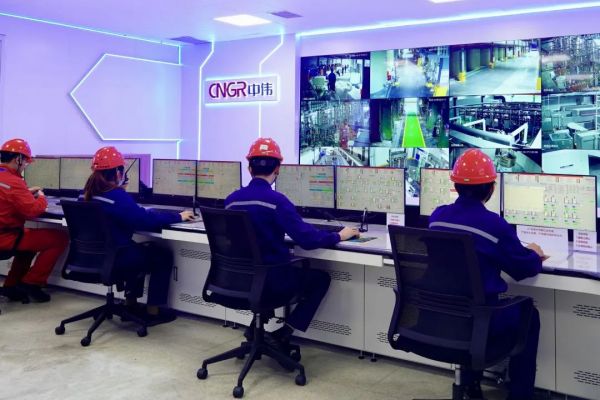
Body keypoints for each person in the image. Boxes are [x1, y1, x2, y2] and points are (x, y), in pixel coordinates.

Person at [429, 149, 545, 400]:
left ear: (455, 186)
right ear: (491, 189)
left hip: (439, 317)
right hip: (480, 319)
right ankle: (520, 395)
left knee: (473, 307)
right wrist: (535, 254)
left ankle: (470, 386)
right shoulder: (494, 225)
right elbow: (523, 268)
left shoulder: (437, 216)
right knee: (529, 314)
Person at [225, 138, 360, 344]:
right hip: (271, 281)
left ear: (249, 168)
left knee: (265, 267)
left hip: (237, 280)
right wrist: (339, 235)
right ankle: (285, 332)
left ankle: (255, 329)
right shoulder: (277, 201)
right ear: (277, 169)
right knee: (320, 279)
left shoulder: (231, 200)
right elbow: (307, 239)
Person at [80, 146, 195, 324]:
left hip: (92, 258)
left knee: (138, 249)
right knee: (160, 255)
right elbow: (145, 220)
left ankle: (130, 304)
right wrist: (178, 216)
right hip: (116, 258)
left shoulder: (85, 195)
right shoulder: (116, 197)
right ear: (118, 172)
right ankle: (153, 311)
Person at [0, 138, 69, 303]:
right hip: (6, 238)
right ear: (18, 159)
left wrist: (25, 192)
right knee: (59, 238)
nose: (25, 165)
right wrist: (42, 197)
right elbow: (33, 210)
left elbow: (7, 195)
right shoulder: (14, 182)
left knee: (29, 243)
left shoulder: (5, 178)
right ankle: (32, 283)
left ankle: (11, 285)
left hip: (5, 234)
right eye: (25, 162)